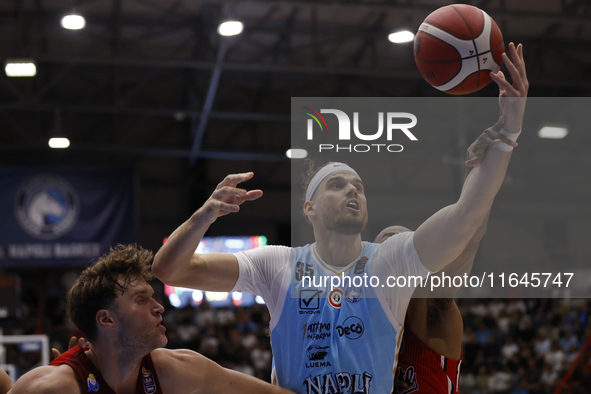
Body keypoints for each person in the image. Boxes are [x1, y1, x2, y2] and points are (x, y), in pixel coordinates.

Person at [153, 43, 527, 394]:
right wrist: (204, 214)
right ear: (309, 207)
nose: (352, 191)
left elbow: (465, 217)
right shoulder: (277, 262)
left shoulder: (389, 259)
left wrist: (509, 131)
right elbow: (170, 270)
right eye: (337, 185)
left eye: (358, 186)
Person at [8, 244, 296, 394]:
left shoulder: (175, 370)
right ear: (106, 320)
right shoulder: (53, 387)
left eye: (153, 296)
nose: (159, 307)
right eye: (141, 299)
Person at [374, 121, 513, 394]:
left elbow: (470, 233)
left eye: (399, 249)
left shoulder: (435, 311)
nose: (392, 258)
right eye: (384, 250)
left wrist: (477, 174)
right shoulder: (364, 336)